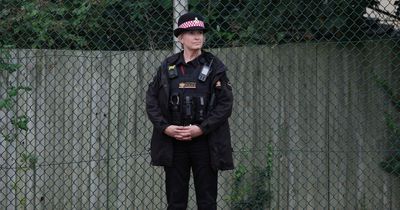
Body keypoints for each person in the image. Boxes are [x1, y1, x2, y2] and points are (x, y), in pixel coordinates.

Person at [146, 12, 234, 210]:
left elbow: (225, 104)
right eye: (192, 32)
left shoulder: (214, 66)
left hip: (204, 141)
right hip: (174, 142)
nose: (198, 37)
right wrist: (166, 127)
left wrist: (202, 128)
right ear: (180, 37)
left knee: (207, 201)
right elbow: (151, 100)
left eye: (200, 32)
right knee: (175, 201)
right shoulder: (167, 66)